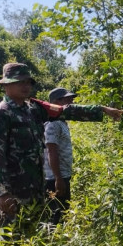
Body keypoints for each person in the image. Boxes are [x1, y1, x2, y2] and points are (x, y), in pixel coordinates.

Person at [0, 63, 123, 231]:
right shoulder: (1, 113)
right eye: (19, 82)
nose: (25, 86)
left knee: (36, 238)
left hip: (36, 189)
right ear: (6, 85)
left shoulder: (33, 109)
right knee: (12, 241)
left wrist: (102, 109)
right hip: (14, 192)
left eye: (28, 82)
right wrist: (2, 193)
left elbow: (65, 110)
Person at [44, 87, 77, 224]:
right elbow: (52, 151)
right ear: (56, 102)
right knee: (57, 213)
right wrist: (58, 178)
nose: (71, 102)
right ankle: (52, 241)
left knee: (63, 210)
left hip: (61, 175)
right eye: (67, 99)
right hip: (54, 178)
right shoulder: (53, 124)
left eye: (71, 99)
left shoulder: (61, 120)